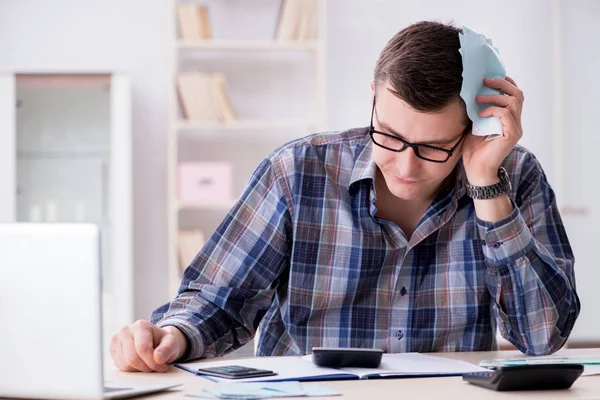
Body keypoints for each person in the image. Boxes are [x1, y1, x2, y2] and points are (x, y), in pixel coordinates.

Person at [110, 21, 580, 373]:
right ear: (373, 95)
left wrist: (486, 185)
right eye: (390, 135)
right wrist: (172, 335)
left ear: (478, 126)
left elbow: (541, 337)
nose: (405, 165)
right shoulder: (297, 171)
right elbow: (220, 302)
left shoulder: (512, 176)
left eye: (434, 147)